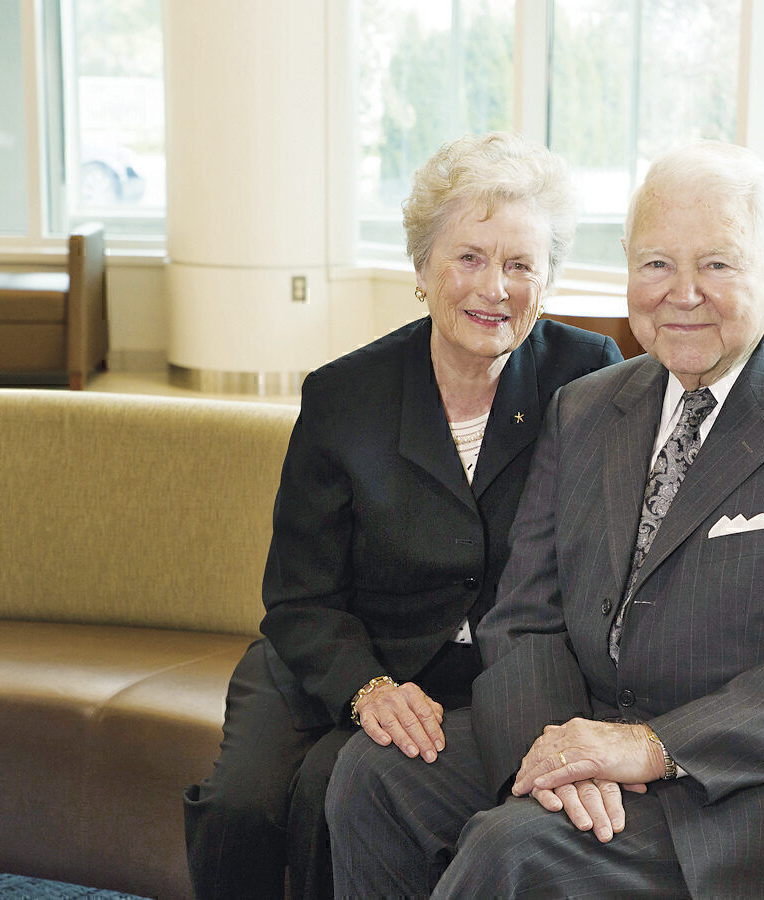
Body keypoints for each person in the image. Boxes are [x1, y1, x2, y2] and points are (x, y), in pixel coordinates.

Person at [326, 141, 764, 897]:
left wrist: (650, 748)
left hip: (753, 784)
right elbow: (525, 615)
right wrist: (548, 755)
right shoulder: (586, 407)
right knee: (374, 778)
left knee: (513, 853)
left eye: (717, 263)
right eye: (655, 264)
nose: (682, 293)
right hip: (591, 730)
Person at [181, 132, 623, 900]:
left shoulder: (586, 378)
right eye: (469, 257)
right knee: (241, 808)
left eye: (521, 264)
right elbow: (298, 597)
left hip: (476, 678)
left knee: (332, 791)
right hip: (334, 654)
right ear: (422, 268)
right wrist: (367, 687)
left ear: (548, 278)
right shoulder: (343, 395)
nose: (495, 288)